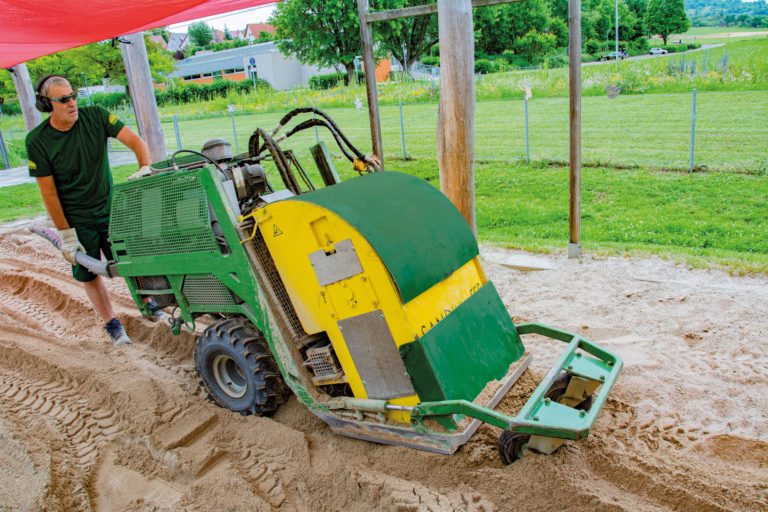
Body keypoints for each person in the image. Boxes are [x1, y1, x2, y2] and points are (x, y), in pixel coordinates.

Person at [25, 75, 153, 346]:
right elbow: (49, 193)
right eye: (63, 99)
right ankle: (112, 323)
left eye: (74, 95)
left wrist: (144, 168)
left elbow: (136, 143)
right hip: (76, 217)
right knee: (89, 271)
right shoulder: (37, 141)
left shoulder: (96, 116)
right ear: (46, 104)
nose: (72, 103)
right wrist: (66, 234)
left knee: (130, 259)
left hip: (110, 207)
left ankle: (149, 302)